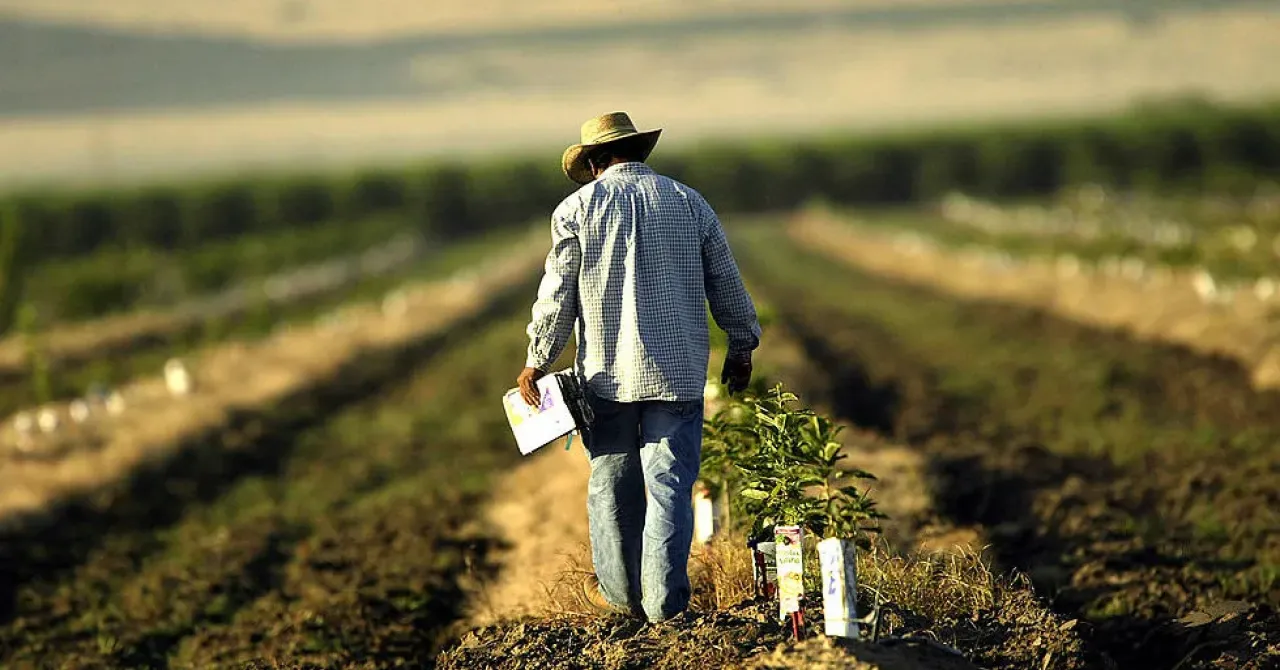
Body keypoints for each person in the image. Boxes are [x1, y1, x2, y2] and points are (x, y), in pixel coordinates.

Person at [517, 111, 761, 622]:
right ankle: (664, 608)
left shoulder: (575, 210)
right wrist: (741, 345)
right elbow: (725, 281)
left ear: (594, 161)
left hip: (605, 377)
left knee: (610, 486)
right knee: (670, 486)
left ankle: (623, 602)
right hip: (677, 372)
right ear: (636, 152)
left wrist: (537, 360)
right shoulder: (688, 201)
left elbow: (557, 293)